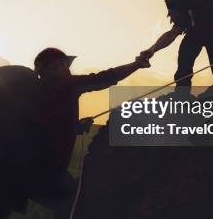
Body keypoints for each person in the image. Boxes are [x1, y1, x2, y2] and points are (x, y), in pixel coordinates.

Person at [31, 47, 151, 219]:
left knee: (71, 204)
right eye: (65, 65)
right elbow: (105, 78)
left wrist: (75, 127)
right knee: (77, 204)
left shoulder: (36, 90)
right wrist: (136, 64)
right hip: (47, 170)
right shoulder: (65, 85)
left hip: (27, 166)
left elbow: (47, 125)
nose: (68, 69)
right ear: (56, 66)